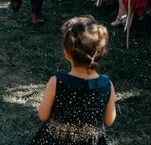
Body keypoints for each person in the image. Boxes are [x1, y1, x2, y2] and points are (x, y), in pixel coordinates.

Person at [30, 16, 116, 145]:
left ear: (67, 53)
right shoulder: (106, 85)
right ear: (100, 53)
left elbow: (43, 115)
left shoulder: (57, 81)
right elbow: (109, 120)